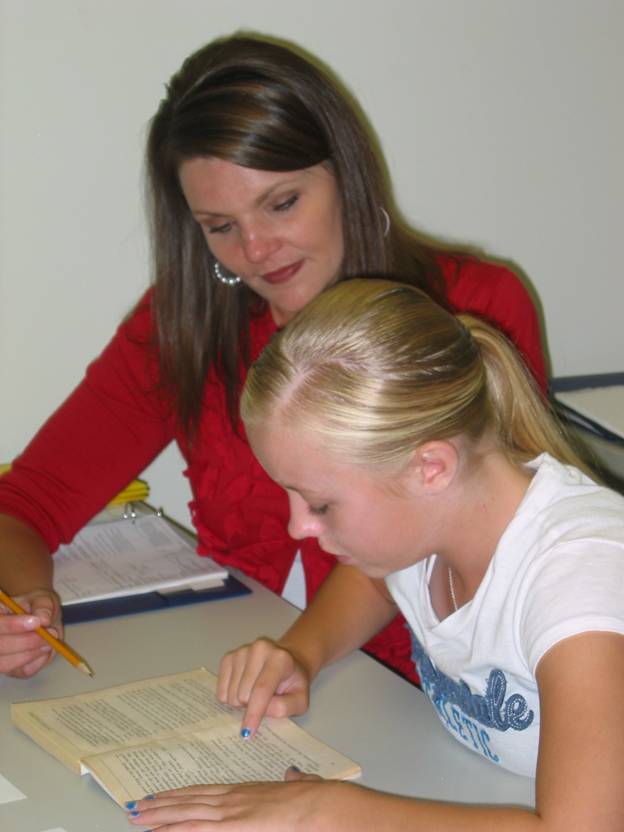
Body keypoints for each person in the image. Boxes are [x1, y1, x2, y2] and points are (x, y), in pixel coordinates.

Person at [0, 34, 547, 682]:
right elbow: (29, 501)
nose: (257, 248)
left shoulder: (472, 307)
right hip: (254, 668)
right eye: (220, 226)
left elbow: (423, 544)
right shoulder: (183, 324)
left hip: (427, 693)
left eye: (281, 203)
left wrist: (297, 655)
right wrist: (23, 609)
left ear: (345, 173)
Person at [125, 279, 624, 832]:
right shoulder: (432, 521)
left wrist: (328, 813)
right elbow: (375, 581)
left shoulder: (582, 577)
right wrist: (302, 652)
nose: (298, 526)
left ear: (429, 468)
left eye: (320, 504)